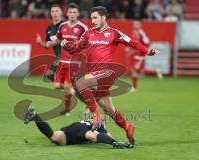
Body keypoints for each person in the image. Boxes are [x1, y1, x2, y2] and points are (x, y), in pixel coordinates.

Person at [61, 6, 158, 145]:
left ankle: (96, 116)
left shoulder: (114, 33)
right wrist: (67, 46)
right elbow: (76, 48)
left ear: (103, 17)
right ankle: (127, 127)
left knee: (80, 83)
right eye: (92, 18)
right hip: (95, 76)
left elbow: (132, 42)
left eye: (95, 17)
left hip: (107, 73)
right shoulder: (88, 34)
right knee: (109, 109)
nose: (93, 21)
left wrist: (147, 51)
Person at [44, 3, 88, 116]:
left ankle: (67, 110)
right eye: (70, 12)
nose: (72, 14)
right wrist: (50, 43)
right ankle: (83, 95)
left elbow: (87, 43)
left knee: (67, 86)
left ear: (78, 14)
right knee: (57, 85)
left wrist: (75, 44)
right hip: (63, 61)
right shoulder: (62, 26)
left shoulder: (82, 27)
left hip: (74, 62)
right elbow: (58, 39)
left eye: (74, 12)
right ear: (67, 13)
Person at [23, 107, 133, 149]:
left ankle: (35, 115)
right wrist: (114, 143)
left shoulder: (98, 123)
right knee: (91, 136)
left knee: (54, 137)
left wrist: (114, 141)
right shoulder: (98, 126)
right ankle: (35, 116)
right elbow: (97, 135)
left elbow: (105, 134)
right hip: (79, 131)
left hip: (74, 127)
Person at [125, 20, 150, 89]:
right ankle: (134, 87)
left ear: (140, 25)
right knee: (134, 70)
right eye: (134, 24)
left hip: (140, 55)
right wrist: (128, 48)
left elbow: (147, 42)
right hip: (135, 54)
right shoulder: (134, 32)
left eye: (137, 24)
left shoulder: (142, 33)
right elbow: (133, 42)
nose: (135, 25)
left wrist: (144, 51)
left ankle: (134, 87)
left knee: (135, 70)